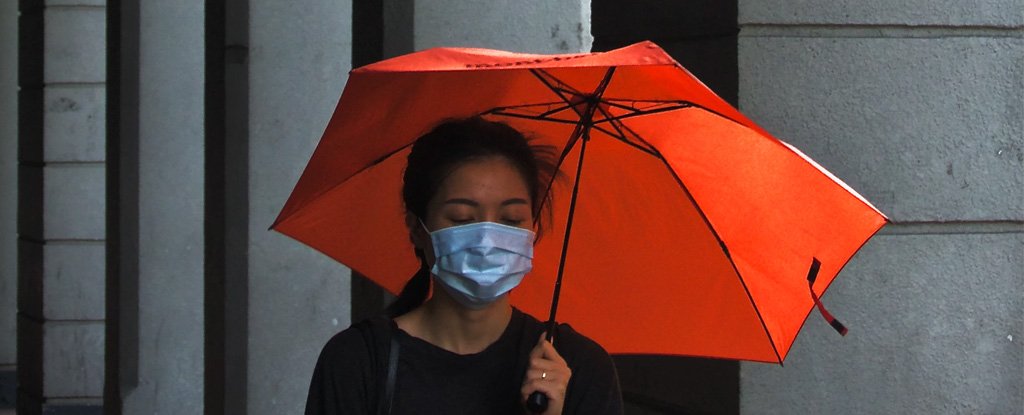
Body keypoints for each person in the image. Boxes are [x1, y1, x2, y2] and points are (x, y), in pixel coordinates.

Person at [304, 117, 624, 414]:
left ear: (532, 228)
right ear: (417, 227)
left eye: (510, 220)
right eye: (462, 219)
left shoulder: (576, 368)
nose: (486, 239)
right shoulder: (359, 361)